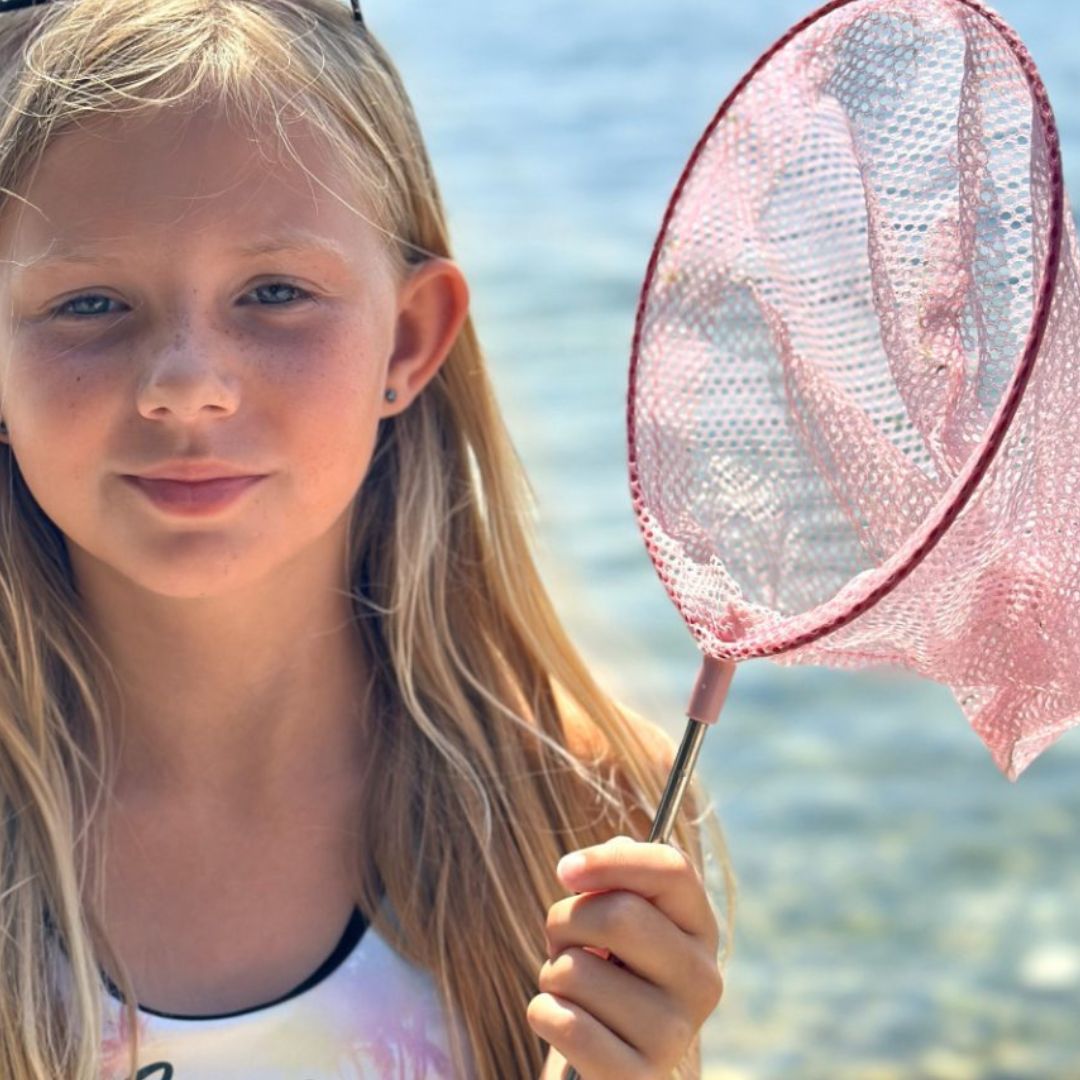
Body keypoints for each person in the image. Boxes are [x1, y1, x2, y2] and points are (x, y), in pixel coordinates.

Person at [0, 1, 734, 1077]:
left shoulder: (576, 811)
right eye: (91, 302)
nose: (187, 385)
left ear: (410, 337)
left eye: (275, 293)